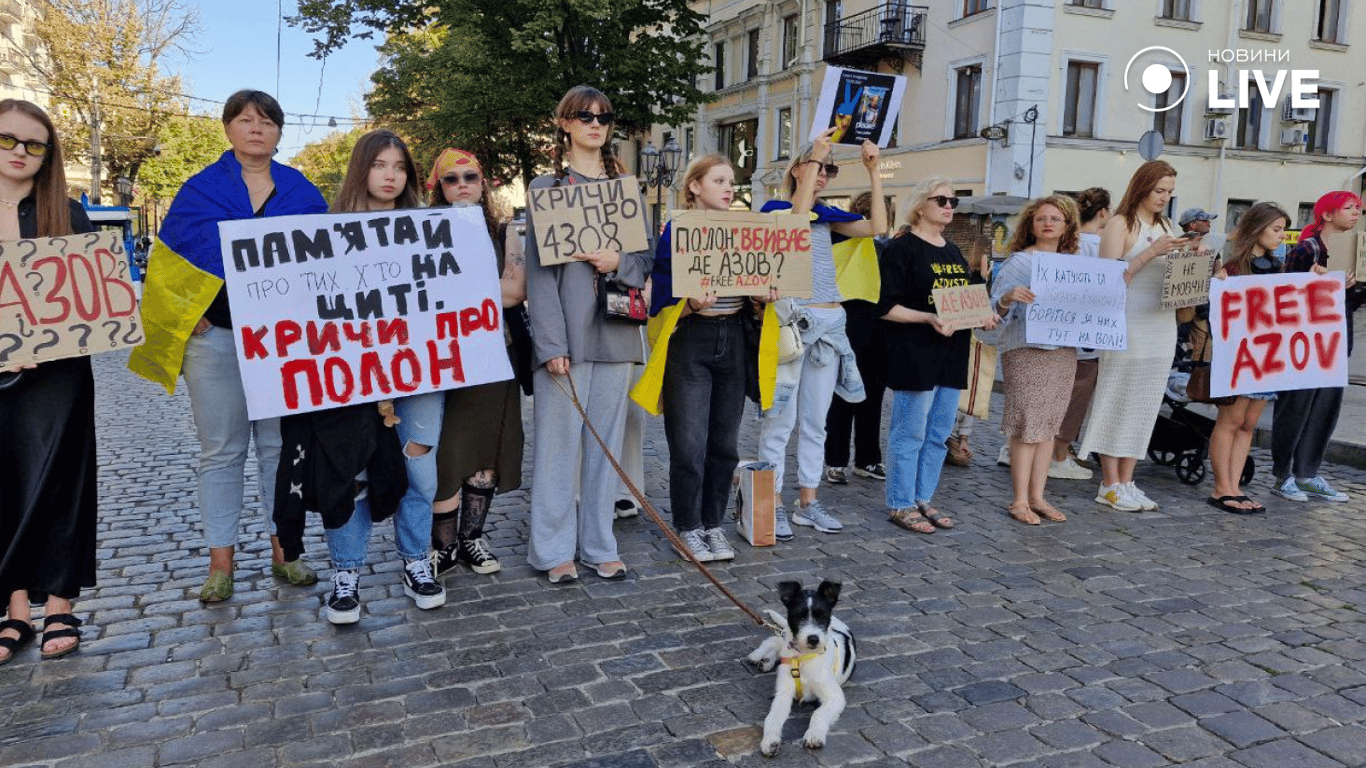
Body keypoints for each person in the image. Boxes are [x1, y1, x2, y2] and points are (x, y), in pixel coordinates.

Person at [129, 90, 327, 603]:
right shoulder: (199, 191)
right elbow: (170, 261)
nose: (255, 128)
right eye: (244, 120)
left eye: (266, 121)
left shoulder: (305, 194)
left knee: (279, 451)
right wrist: (187, 316)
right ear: (228, 129)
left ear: (280, 133)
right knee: (221, 453)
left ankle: (285, 551)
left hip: (284, 346)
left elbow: (327, 269)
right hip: (215, 340)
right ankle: (221, 562)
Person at [295, 129, 447, 623]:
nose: (390, 175)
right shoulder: (325, 232)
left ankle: (416, 561)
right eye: (380, 165)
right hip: (350, 375)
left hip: (420, 371)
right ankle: (347, 571)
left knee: (420, 473)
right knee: (352, 476)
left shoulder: (431, 228)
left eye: (400, 167)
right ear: (361, 169)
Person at [524, 85, 652, 583]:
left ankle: (600, 544)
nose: (596, 123)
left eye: (604, 116)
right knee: (558, 447)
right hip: (569, 338)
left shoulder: (628, 188)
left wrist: (618, 261)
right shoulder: (544, 188)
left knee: (606, 447)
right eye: (585, 115)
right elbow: (539, 273)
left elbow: (645, 262)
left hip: (617, 333)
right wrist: (551, 344)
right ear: (566, 124)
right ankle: (553, 549)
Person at [0, 100, 97, 663]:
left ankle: (60, 604)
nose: (19, 152)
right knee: (4, 486)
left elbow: (90, 300)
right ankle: (14, 612)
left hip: (59, 377)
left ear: (48, 153)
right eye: (8, 140)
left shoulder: (69, 211)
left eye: (34, 144)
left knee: (61, 484)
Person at [639, 154, 772, 562]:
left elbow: (764, 280)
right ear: (695, 186)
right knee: (689, 443)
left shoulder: (747, 230)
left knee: (725, 444)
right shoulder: (676, 230)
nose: (730, 188)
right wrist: (690, 304)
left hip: (732, 335)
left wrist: (763, 298)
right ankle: (688, 527)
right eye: (719, 180)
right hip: (691, 339)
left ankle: (713, 524)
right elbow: (658, 293)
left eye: (732, 181)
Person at [757, 127, 884, 536]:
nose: (825, 173)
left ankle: (807, 502)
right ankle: (773, 501)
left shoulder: (829, 217)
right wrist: (813, 157)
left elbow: (877, 226)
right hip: (793, 325)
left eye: (830, 168)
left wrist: (874, 171)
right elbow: (793, 224)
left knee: (817, 422)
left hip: (830, 326)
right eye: (819, 166)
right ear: (798, 168)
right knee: (780, 421)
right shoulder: (776, 210)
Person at [425, 148, 524, 576]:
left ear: (483, 185)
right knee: (447, 455)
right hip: (441, 359)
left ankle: (472, 540)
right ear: (438, 188)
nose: (462, 183)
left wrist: (458, 293)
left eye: (471, 176)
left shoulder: (505, 233)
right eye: (451, 179)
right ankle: (442, 546)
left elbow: (513, 293)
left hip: (492, 355)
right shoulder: (419, 232)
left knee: (485, 453)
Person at [878, 177, 994, 533]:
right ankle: (900, 501)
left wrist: (984, 314)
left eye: (953, 201)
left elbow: (963, 299)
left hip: (952, 351)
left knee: (939, 432)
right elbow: (884, 307)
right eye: (941, 199)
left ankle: (922, 497)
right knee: (909, 431)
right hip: (915, 351)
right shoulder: (902, 249)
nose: (948, 206)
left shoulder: (952, 251)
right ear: (919, 205)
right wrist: (928, 317)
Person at [1080, 160, 1187, 511]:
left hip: (1161, 321)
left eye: (1169, 192)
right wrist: (1151, 252)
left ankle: (1128, 479)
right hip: (1126, 321)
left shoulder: (1168, 224)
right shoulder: (1121, 224)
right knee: (1118, 398)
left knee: (1145, 402)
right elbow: (1108, 277)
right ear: (1142, 187)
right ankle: (1109, 481)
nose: (1164, 198)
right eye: (1159, 191)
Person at [991, 196, 1081, 524]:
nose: (1047, 223)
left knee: (1048, 427)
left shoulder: (1074, 263)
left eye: (1055, 218)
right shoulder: (1019, 262)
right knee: (1027, 424)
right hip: (1027, 349)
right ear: (1031, 225)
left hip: (1062, 351)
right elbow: (992, 308)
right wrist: (1006, 297)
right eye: (1041, 218)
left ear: (1067, 226)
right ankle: (1018, 500)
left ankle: (1038, 497)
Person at [1270, 190, 1363, 503]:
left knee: (1326, 407)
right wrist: (1322, 285)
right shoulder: (1307, 248)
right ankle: (1282, 475)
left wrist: (1355, 287)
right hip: (1304, 341)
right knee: (1296, 405)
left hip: (1337, 340)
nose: (1355, 214)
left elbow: (1350, 304)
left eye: (1358, 209)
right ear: (1327, 214)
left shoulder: (1355, 250)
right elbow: (1288, 294)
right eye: (1349, 208)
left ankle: (1308, 473)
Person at [1207, 202, 1291, 514]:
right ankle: (1221, 487)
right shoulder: (1232, 269)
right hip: (1239, 356)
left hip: (1268, 356)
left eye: (1283, 229)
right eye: (1277, 229)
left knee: (1249, 424)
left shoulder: (1278, 268)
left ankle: (1236, 486)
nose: (1282, 235)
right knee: (1230, 420)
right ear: (1258, 229)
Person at [824, 191, 888, 484]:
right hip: (844, 321)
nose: (869, 216)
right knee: (841, 392)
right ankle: (834, 460)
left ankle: (867, 458)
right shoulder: (835, 238)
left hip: (876, 326)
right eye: (863, 211)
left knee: (872, 394)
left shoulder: (884, 248)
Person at [1048, 187, 1110, 481]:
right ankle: (1058, 453)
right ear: (1103, 213)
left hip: (1062, 330)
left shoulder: (1068, 243)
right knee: (1076, 399)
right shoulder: (1102, 245)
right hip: (1089, 336)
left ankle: (1048, 449)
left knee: (1055, 395)